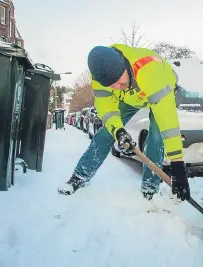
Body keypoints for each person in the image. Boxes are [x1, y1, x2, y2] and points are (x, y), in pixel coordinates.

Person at [57, 43, 191, 201]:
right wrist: (119, 131)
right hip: (131, 99)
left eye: (119, 82)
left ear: (125, 66)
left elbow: (168, 124)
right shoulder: (99, 78)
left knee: (156, 137)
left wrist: (177, 165)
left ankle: (150, 188)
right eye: (111, 86)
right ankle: (79, 176)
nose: (117, 87)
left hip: (161, 91)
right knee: (106, 133)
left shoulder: (150, 69)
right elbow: (107, 111)